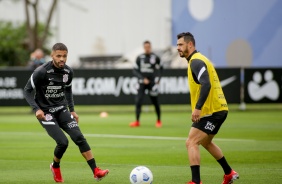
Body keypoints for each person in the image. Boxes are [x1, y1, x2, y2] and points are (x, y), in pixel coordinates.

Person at [23, 43, 109, 182]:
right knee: (63, 142)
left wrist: (72, 110)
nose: (62, 59)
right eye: (58, 56)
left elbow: (68, 90)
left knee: (79, 137)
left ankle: (96, 171)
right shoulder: (41, 71)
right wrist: (36, 109)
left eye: (64, 56)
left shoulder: (68, 72)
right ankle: (55, 166)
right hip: (45, 113)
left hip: (62, 109)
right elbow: (27, 91)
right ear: (52, 56)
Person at [176, 32, 239, 184]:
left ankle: (196, 181)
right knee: (205, 142)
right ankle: (229, 173)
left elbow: (206, 83)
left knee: (191, 142)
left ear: (190, 45)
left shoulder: (196, 61)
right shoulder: (199, 59)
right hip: (218, 109)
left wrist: (198, 108)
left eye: (180, 45)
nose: (177, 48)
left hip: (212, 111)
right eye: (177, 45)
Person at [130, 40, 163, 128]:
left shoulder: (155, 57)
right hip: (142, 83)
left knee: (155, 101)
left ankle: (159, 120)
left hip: (152, 83)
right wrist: (142, 78)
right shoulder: (139, 58)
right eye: (146, 47)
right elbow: (135, 70)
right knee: (138, 101)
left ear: (150, 47)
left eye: (149, 47)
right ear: (144, 48)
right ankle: (137, 121)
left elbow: (161, 68)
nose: (147, 49)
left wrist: (158, 78)